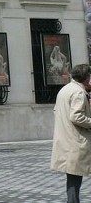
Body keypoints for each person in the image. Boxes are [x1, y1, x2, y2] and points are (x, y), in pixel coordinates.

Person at [52, 64, 91, 203]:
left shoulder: (65, 89)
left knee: (73, 178)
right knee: (74, 179)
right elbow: (76, 116)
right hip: (76, 141)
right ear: (86, 77)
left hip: (66, 140)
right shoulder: (79, 92)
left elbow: (56, 111)